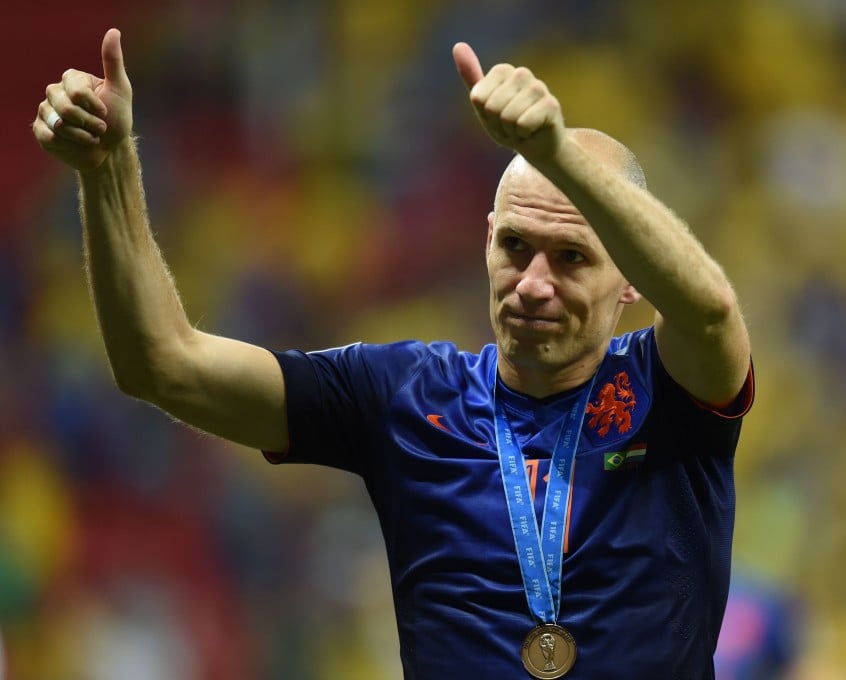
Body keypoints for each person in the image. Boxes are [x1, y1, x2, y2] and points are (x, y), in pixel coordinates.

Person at [34, 28, 753, 679]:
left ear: (628, 279)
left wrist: (555, 151)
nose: (533, 283)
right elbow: (162, 365)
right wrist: (106, 170)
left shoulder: (667, 391)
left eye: (571, 257)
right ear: (486, 240)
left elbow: (711, 311)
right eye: (514, 247)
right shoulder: (407, 394)